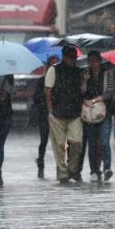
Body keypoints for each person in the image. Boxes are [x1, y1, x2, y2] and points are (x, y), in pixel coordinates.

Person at [45, 45, 85, 184]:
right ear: (65, 57)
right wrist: (50, 110)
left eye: (74, 58)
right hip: (57, 113)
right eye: (71, 58)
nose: (73, 61)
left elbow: (82, 90)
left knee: (77, 141)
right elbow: (48, 90)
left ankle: (73, 168)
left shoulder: (79, 72)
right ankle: (62, 172)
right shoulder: (54, 70)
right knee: (59, 144)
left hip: (75, 113)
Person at [79, 50, 113, 181]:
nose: (94, 64)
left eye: (96, 61)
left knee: (104, 142)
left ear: (100, 61)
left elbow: (110, 93)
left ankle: (107, 168)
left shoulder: (107, 74)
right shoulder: (85, 75)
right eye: (91, 61)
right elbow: (81, 93)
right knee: (92, 143)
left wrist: (99, 98)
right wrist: (85, 81)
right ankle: (94, 170)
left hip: (105, 113)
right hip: (89, 114)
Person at [32, 56, 59, 179]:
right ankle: (41, 163)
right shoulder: (41, 81)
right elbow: (36, 99)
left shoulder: (60, 81)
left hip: (59, 115)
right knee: (44, 140)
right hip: (44, 115)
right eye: (51, 66)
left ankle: (61, 166)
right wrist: (45, 94)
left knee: (60, 142)